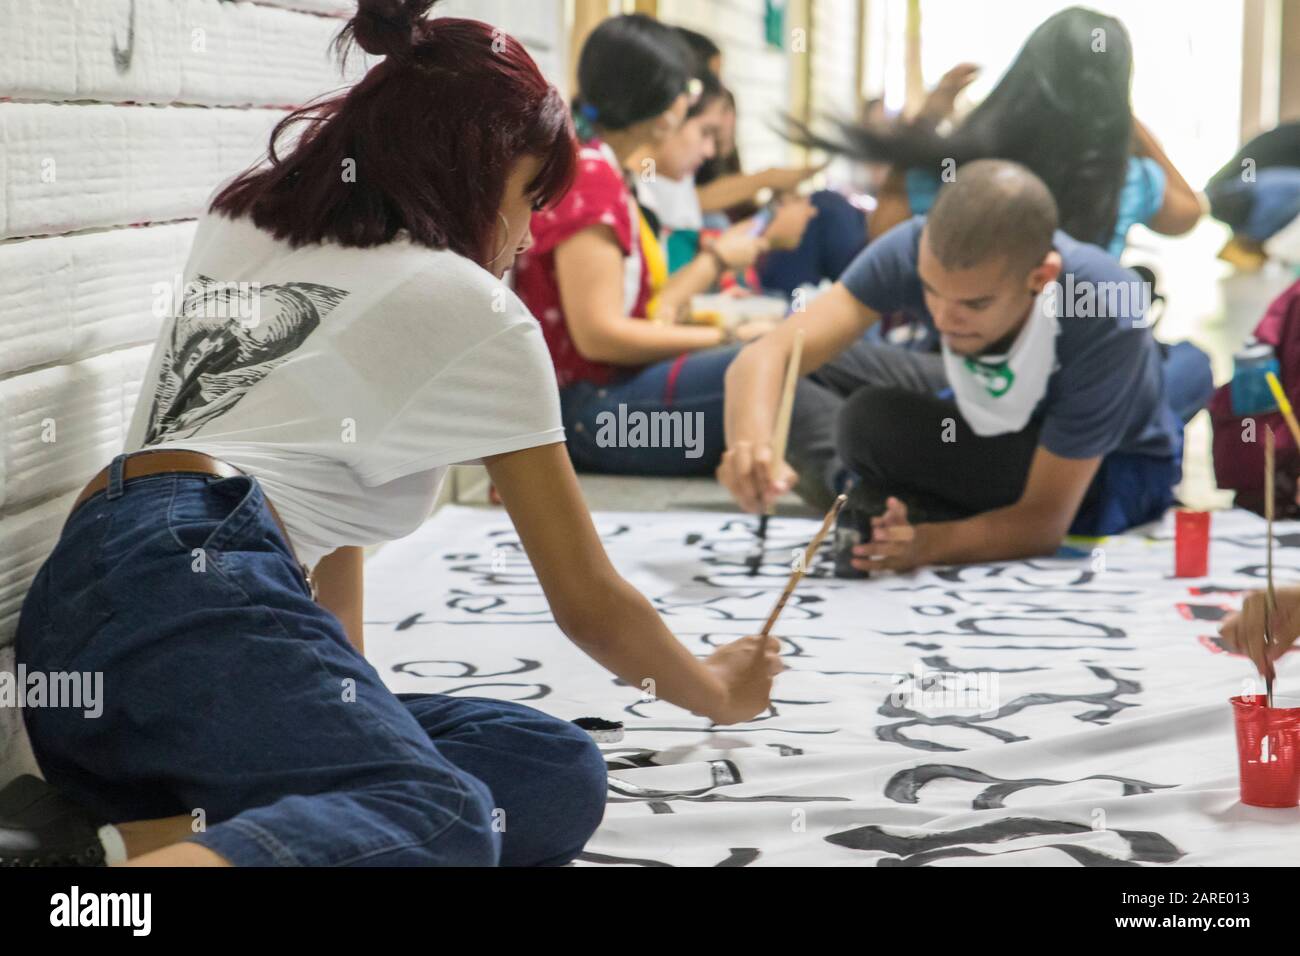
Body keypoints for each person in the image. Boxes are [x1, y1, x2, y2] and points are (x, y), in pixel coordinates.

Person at [3, 0, 782, 868]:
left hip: (83, 630)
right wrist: (715, 692)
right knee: (442, 818)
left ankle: (89, 844)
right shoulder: (476, 312)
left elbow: (324, 499)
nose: (525, 237)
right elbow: (589, 602)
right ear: (472, 168)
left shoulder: (246, 222)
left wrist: (346, 697)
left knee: (548, 772)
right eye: (528, 197)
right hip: (196, 583)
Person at [717, 160, 1190, 575]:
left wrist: (926, 546)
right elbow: (769, 354)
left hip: (1101, 467)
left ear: (1039, 278)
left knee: (869, 423)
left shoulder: (1105, 303)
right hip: (981, 399)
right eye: (930, 291)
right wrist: (750, 446)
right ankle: (876, 502)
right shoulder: (915, 246)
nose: (944, 317)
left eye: (974, 303)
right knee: (793, 378)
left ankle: (888, 507)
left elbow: (1044, 522)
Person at [512, 14, 776, 477]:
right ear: (661, 104)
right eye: (685, 91)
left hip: (598, 404)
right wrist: (726, 336)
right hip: (590, 419)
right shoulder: (590, 175)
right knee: (771, 368)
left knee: (782, 364)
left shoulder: (599, 167)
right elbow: (599, 335)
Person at [793, 7, 1202, 270]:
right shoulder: (1123, 180)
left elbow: (880, 237)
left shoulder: (970, 172)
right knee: (1192, 364)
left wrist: (927, 122)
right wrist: (1120, 115)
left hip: (968, 365)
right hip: (1081, 361)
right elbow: (1190, 211)